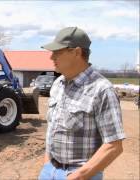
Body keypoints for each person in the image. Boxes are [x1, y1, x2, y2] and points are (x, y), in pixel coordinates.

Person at [38, 27, 125, 180]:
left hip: (79, 175)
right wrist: (47, 165)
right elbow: (52, 129)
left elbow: (114, 146)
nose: (51, 57)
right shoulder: (58, 84)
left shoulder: (102, 90)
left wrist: (78, 176)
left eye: (57, 52)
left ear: (77, 52)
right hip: (49, 170)